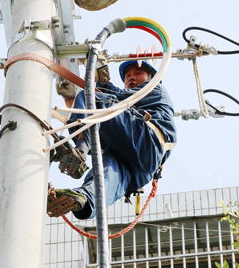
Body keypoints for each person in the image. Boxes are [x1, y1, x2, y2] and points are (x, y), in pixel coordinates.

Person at [48, 60, 177, 219]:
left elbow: (114, 97)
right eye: (128, 75)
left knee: (90, 97)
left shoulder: (155, 88)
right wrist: (71, 99)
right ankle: (84, 198)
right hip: (138, 166)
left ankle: (80, 150)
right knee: (106, 172)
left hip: (146, 139)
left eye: (138, 73)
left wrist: (101, 84)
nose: (131, 78)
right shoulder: (128, 109)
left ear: (151, 78)